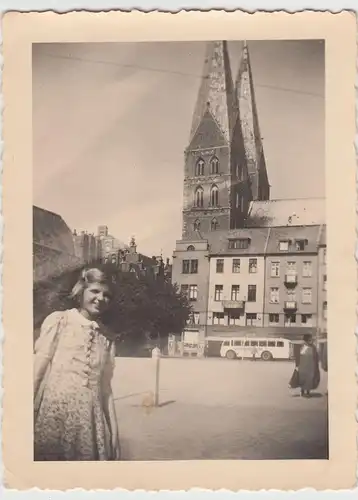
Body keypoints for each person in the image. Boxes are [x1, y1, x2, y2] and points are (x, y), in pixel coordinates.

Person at [33, 267, 120, 461]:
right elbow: (37, 371)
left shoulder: (106, 338)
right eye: (95, 291)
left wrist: (114, 433)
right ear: (81, 292)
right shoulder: (60, 321)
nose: (101, 298)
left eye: (107, 295)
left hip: (89, 424)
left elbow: (106, 390)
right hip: (54, 418)